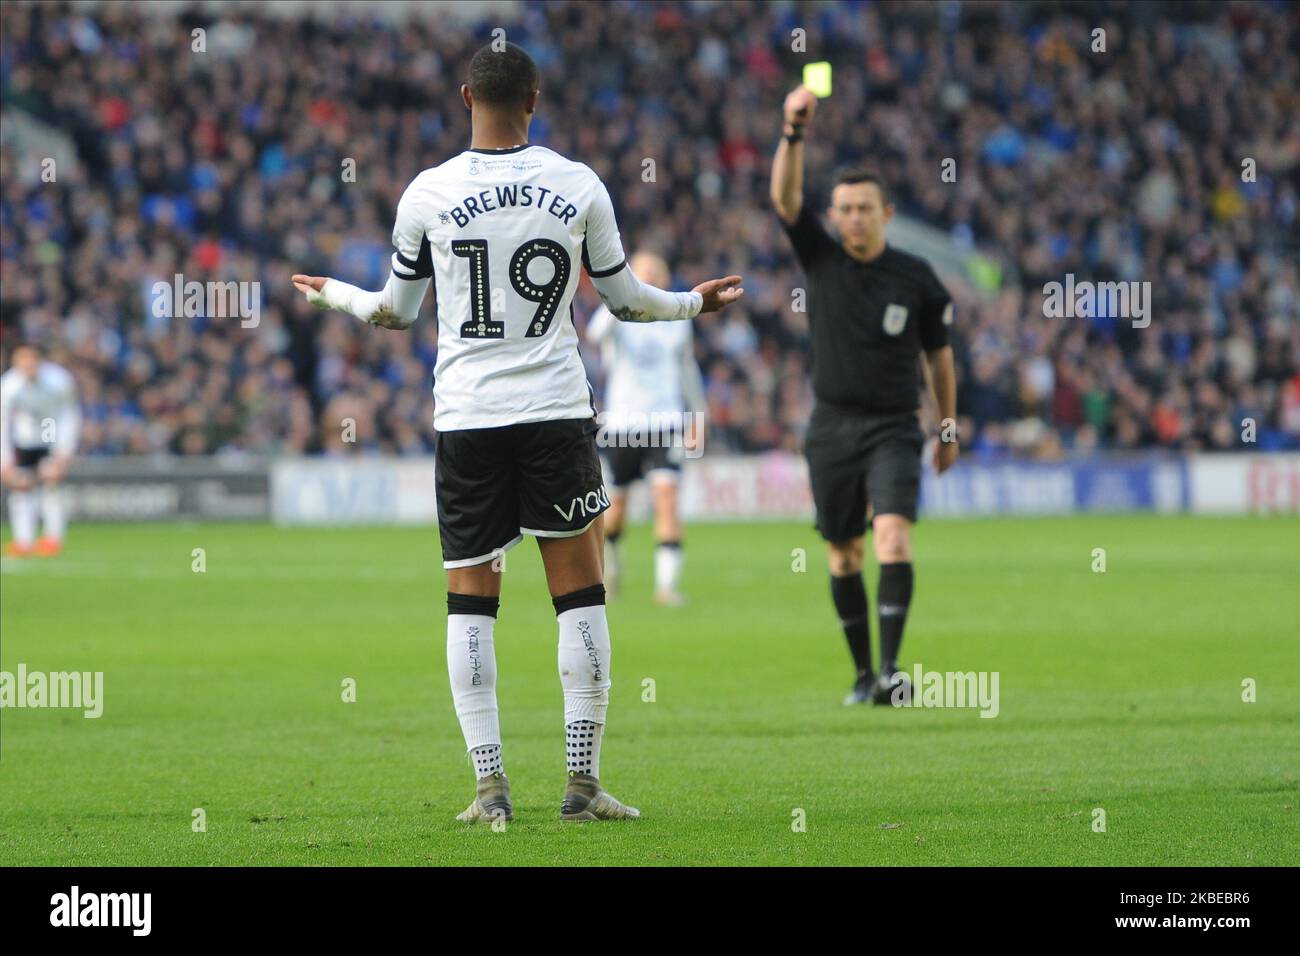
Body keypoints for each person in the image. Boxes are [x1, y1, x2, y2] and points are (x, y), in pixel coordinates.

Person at [292, 43, 743, 821]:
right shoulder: (577, 185)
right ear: (534, 99)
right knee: (581, 599)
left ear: (466, 95)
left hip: (467, 420)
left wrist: (333, 293)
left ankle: (490, 790)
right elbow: (628, 302)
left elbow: (396, 314)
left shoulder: (427, 193)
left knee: (471, 605)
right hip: (556, 416)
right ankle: (581, 784)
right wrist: (694, 304)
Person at [769, 86, 958, 706]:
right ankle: (860, 674)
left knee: (894, 538)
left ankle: (891, 671)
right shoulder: (821, 260)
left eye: (863, 208)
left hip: (894, 427)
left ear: (886, 213)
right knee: (844, 553)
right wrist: (794, 133)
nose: (852, 217)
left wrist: (948, 426)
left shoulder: (916, 278)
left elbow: (938, 356)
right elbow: (785, 200)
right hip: (831, 428)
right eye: (844, 208)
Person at [586, 251, 706, 606]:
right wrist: (620, 300)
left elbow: (687, 369)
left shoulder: (677, 317)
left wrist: (700, 413)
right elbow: (592, 335)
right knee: (617, 506)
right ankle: (612, 566)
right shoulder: (618, 315)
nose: (652, 276)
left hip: (666, 422)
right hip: (624, 424)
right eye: (644, 272)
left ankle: (666, 588)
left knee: (667, 500)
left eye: (657, 270)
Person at [1, 344, 80, 558]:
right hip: (24, 436)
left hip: (49, 429)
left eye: (31, 359)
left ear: (40, 361)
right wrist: (4, 460)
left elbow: (69, 415)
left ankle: (52, 538)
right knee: (20, 486)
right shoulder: (9, 385)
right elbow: (3, 423)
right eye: (22, 359)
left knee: (51, 482)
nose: (27, 364)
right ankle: (23, 541)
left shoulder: (59, 380)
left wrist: (63, 452)